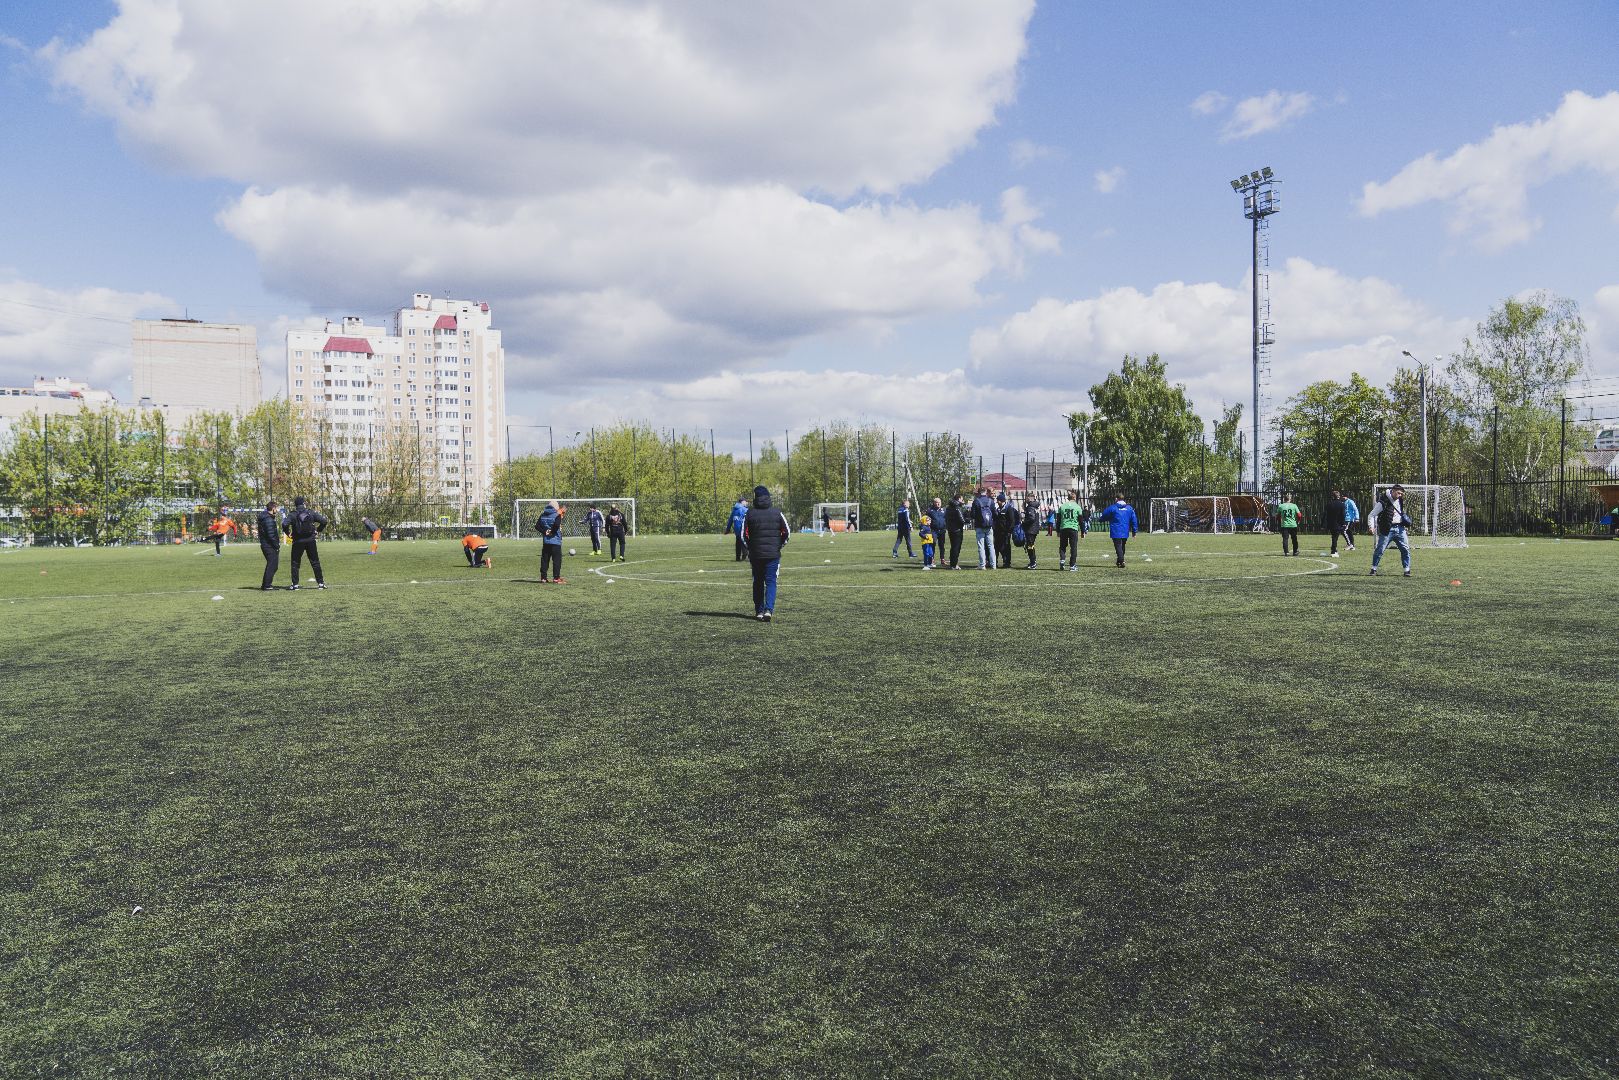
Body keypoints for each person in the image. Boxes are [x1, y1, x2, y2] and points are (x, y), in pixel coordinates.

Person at [741, 484, 790, 621]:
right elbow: (787, 533)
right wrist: (779, 546)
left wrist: (751, 548)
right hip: (773, 554)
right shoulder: (777, 512)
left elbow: (742, 535)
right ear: (768, 497)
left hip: (756, 555)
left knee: (757, 582)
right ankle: (768, 610)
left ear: (755, 498)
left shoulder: (749, 513)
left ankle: (759, 611)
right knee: (771, 581)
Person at [1368, 484, 1413, 577]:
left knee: (1405, 549)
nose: (1400, 495)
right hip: (1387, 529)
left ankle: (1407, 570)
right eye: (1398, 493)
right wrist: (1371, 526)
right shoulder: (1383, 502)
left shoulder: (1400, 500)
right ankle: (1373, 569)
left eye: (1401, 494)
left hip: (1400, 529)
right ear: (1393, 491)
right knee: (1380, 550)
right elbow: (1371, 515)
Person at [285, 496, 328, 590]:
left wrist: (287, 533)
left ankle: (295, 585)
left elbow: (284, 524)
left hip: (298, 541)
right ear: (304, 503)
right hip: (310, 540)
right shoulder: (310, 512)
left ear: (295, 505)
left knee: (295, 563)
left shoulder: (293, 514)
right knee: (315, 562)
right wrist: (318, 530)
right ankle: (321, 583)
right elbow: (324, 521)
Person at [1099, 494, 1138, 568]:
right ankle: (1119, 561)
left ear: (1116, 499)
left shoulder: (1113, 507)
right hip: (1125, 530)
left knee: (1118, 546)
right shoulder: (1129, 508)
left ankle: (1122, 560)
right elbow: (1134, 520)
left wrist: (1101, 520)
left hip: (1116, 530)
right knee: (1122, 545)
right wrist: (1134, 531)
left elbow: (1104, 515)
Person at [537, 500, 566, 583]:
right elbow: (556, 525)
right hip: (555, 541)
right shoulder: (557, 515)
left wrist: (545, 531)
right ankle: (556, 578)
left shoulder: (543, 515)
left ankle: (543, 578)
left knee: (545, 560)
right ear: (555, 507)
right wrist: (552, 532)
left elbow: (537, 526)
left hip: (546, 542)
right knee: (556, 560)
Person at [256, 500, 283, 590]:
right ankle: (267, 585)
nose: (277, 510)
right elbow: (271, 534)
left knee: (273, 565)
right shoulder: (268, 519)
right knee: (272, 565)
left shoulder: (267, 518)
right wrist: (276, 545)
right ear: (273, 508)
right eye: (277, 508)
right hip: (269, 545)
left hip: (267, 544)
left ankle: (266, 584)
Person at [1056, 490, 1084, 571]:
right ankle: (1072, 565)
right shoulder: (1077, 507)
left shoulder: (1062, 506)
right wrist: (1083, 531)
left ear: (1068, 498)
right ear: (1075, 498)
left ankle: (1062, 560)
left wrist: (1058, 531)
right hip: (1073, 528)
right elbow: (1081, 521)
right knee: (1073, 547)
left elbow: (1058, 520)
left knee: (1062, 546)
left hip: (1063, 528)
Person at [970, 487, 997, 569]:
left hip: (979, 526)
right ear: (986, 492)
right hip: (989, 526)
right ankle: (993, 565)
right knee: (991, 546)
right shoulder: (990, 501)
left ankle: (982, 565)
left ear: (979, 493)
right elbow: (995, 514)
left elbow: (972, 515)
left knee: (981, 546)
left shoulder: (976, 501)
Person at [993, 491, 1017, 569]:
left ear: (1001, 501)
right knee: (997, 547)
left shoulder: (1008, 509)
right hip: (998, 532)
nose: (997, 502)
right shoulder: (998, 509)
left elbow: (1012, 521)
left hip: (1005, 532)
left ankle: (1007, 562)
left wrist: (1009, 531)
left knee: (1006, 547)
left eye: (998, 500)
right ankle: (995, 562)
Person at [944, 494, 966, 569]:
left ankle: (952, 563)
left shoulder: (948, 507)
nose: (962, 501)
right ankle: (954, 564)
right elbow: (961, 519)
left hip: (950, 529)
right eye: (962, 499)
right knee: (956, 547)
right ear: (959, 499)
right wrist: (967, 520)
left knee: (953, 546)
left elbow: (946, 517)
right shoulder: (957, 508)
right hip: (957, 529)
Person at [1324, 490, 1348, 558]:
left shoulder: (1329, 504)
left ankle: (1334, 550)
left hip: (1331, 523)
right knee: (1335, 538)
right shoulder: (1342, 504)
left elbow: (1325, 515)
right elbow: (1343, 515)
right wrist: (1344, 523)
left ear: (1332, 496)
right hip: (1338, 524)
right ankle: (1333, 551)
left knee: (1334, 537)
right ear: (1339, 496)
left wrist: (1324, 524)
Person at [1020, 495, 1041, 569]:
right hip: (1034, 529)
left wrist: (1024, 522)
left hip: (1030, 529)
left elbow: (1031, 518)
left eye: (1026, 498)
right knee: (1030, 545)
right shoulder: (1035, 506)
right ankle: (1032, 561)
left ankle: (1033, 562)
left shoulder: (1030, 507)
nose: (1025, 499)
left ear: (1029, 498)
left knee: (1030, 546)